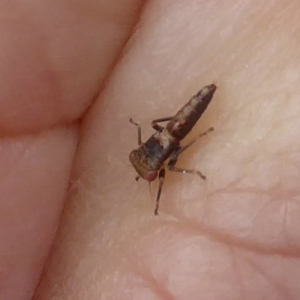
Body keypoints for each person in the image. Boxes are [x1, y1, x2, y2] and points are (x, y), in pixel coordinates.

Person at [2, 1, 299, 299]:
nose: (147, 172)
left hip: (176, 130)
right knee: (178, 139)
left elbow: (173, 162)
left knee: (181, 150)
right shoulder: (154, 149)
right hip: (170, 129)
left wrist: (191, 162)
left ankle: (202, 119)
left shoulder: (162, 165)